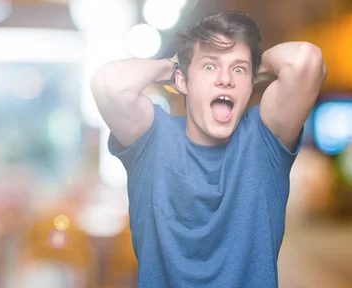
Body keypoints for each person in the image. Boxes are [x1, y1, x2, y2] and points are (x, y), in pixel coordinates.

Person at [90, 11, 327, 288]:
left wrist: (249, 68)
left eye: (238, 69)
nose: (225, 79)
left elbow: (305, 60)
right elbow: (108, 83)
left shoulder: (263, 141)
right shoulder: (153, 140)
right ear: (182, 81)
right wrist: (175, 67)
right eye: (210, 67)